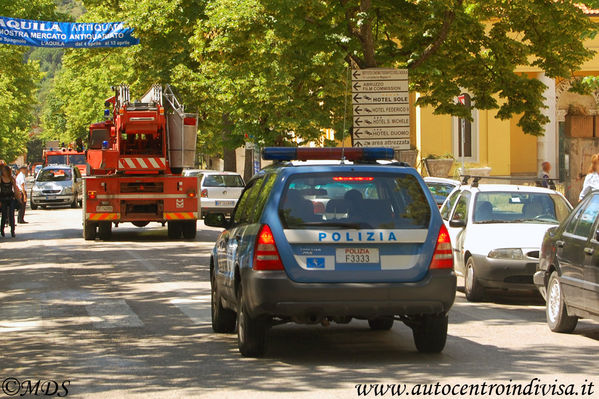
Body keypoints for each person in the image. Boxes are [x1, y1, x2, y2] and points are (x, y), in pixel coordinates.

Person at [0, 165, 21, 237]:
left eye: (5, 171)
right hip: (3, 198)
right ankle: (2, 229)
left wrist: (18, 198)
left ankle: (13, 230)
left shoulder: (11, 179)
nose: (3, 172)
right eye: (2, 171)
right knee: (4, 214)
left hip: (10, 197)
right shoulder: (0, 179)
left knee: (12, 214)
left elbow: (15, 189)